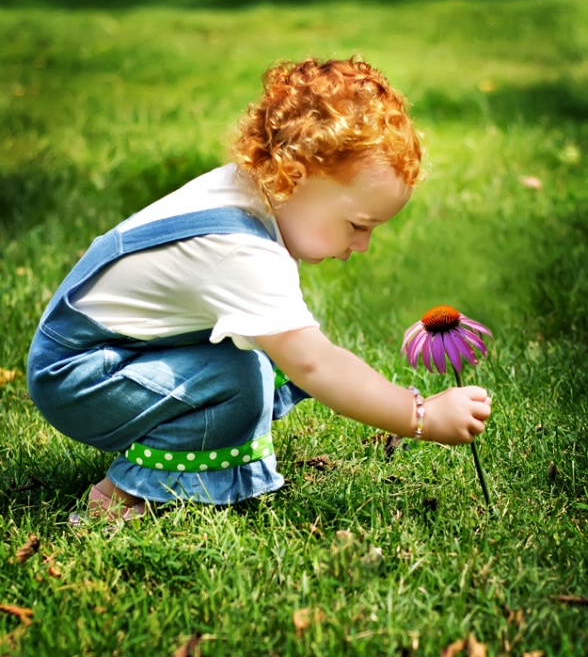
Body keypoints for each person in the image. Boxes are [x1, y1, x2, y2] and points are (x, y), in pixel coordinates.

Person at [27, 57, 492, 521]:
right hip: (79, 374)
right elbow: (316, 364)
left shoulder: (248, 191)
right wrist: (420, 416)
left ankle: (203, 439)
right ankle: (125, 493)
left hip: (107, 351)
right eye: (358, 225)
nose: (364, 245)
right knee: (241, 378)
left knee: (267, 347)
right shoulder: (240, 251)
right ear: (297, 178)